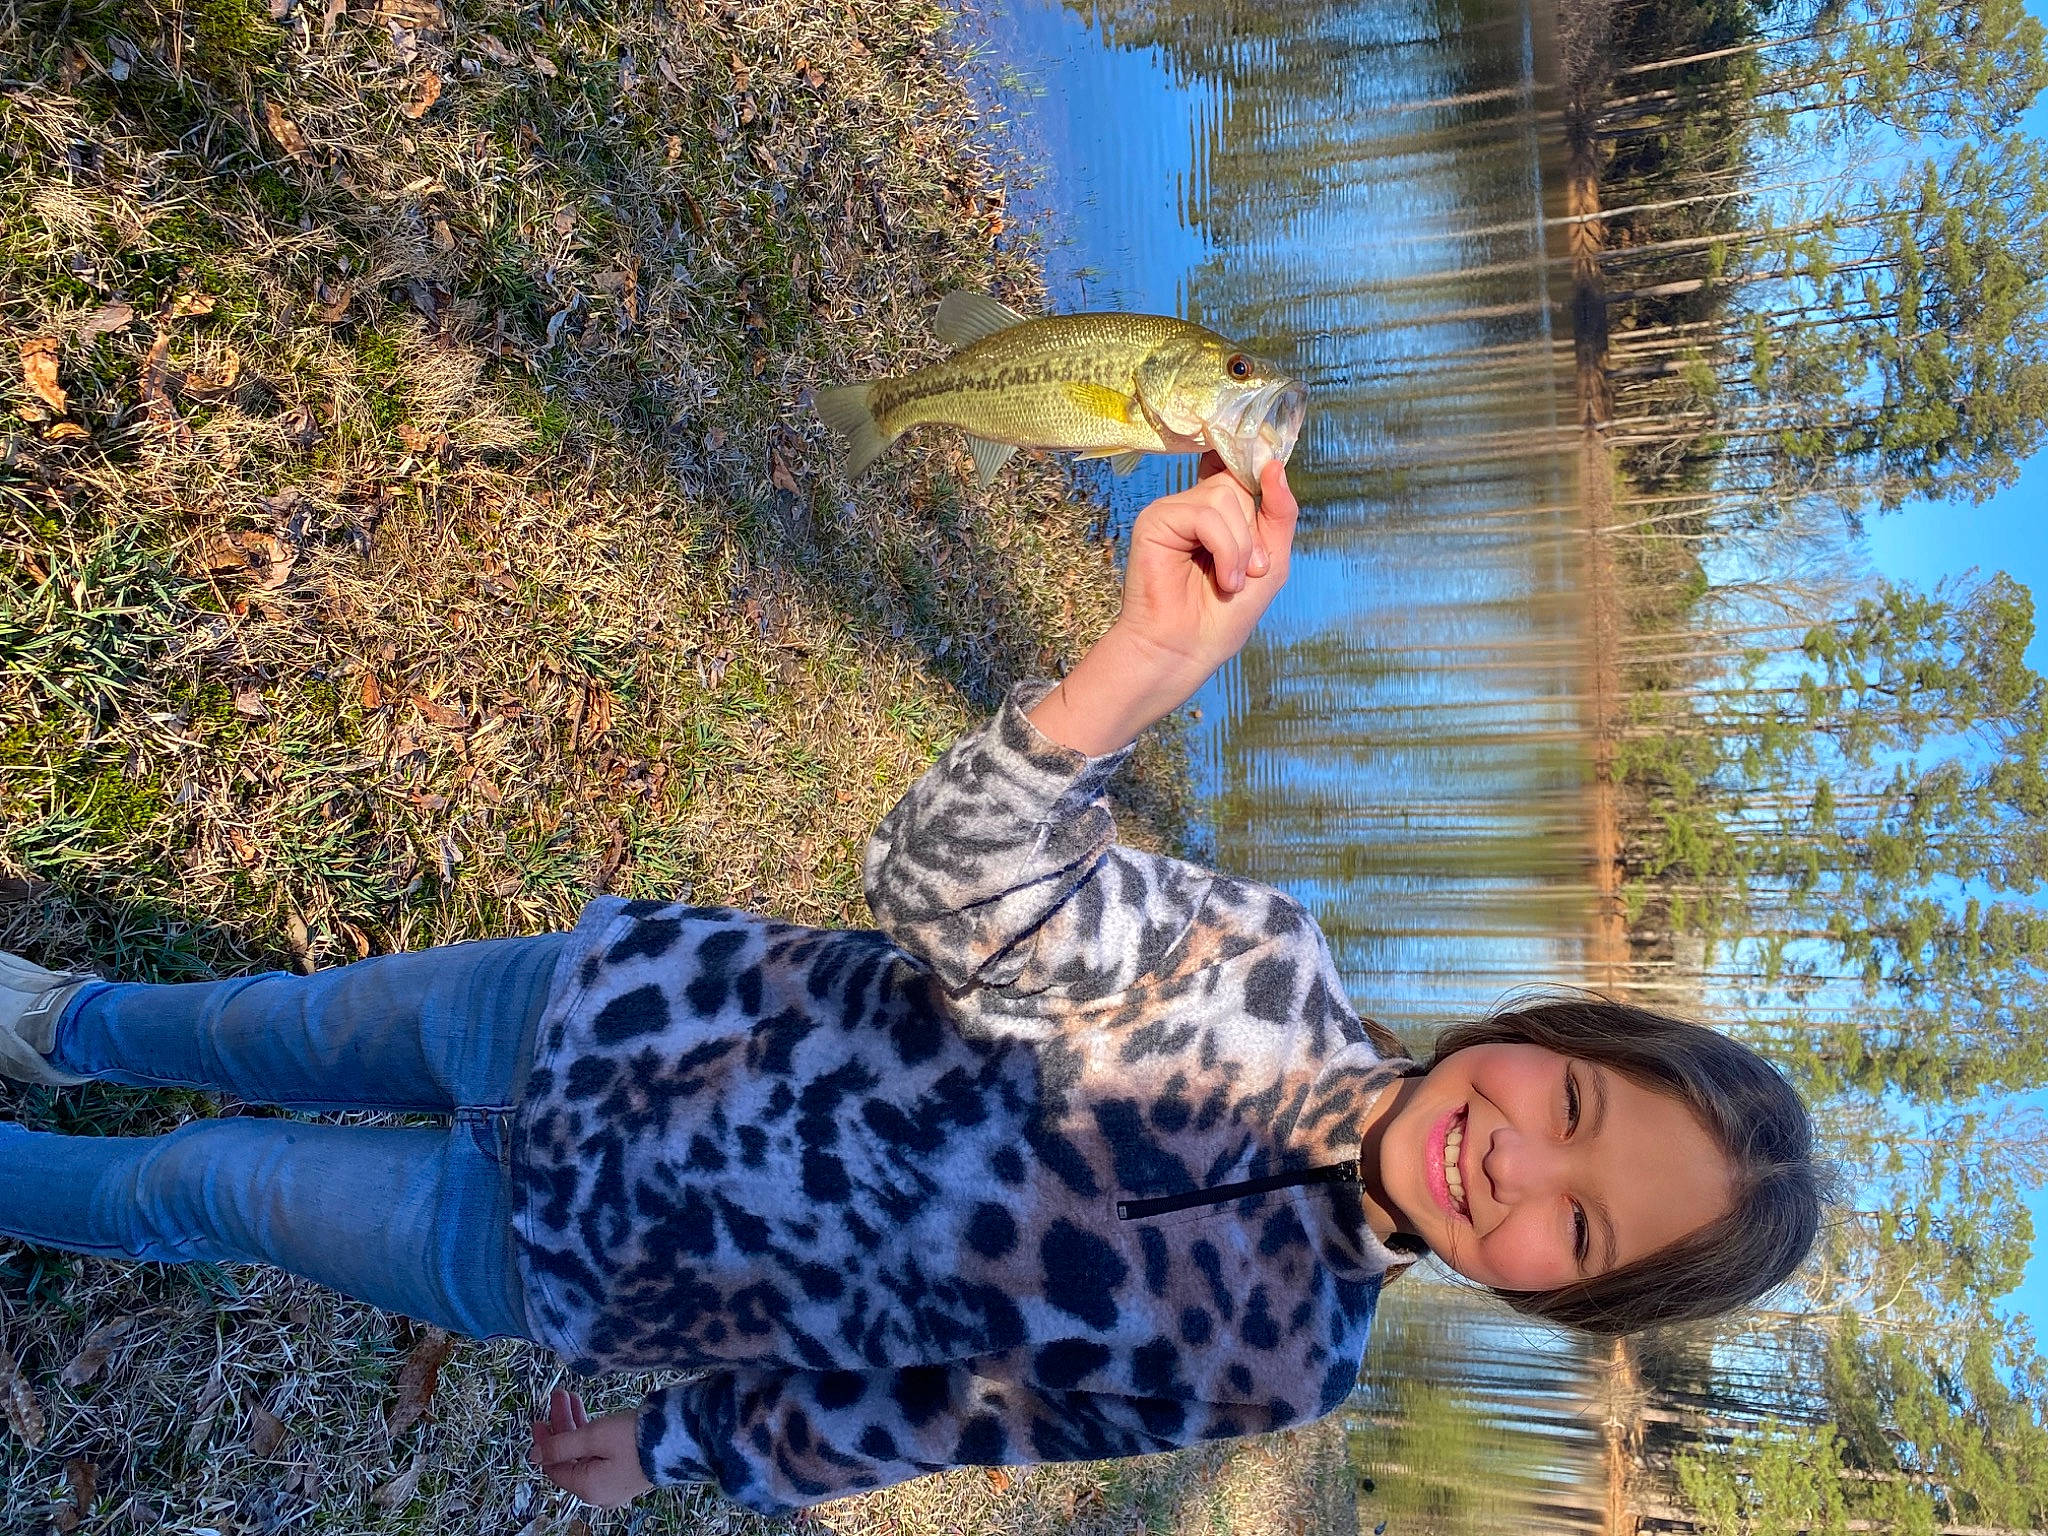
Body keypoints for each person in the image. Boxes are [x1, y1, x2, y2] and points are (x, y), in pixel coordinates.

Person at [0, 458, 1822, 1515]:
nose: (1517, 1166)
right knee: (244, 1024)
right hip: (587, 1013)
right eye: (1569, 1108)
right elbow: (957, 883)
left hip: (573, 1266)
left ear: (1564, 1300)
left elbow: (942, 1411)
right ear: (1541, 1037)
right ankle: (56, 1024)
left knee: (204, 1186)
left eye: (1581, 1228)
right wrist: (1138, 667)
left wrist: (675, 1444)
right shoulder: (1264, 968)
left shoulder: (1283, 1367)